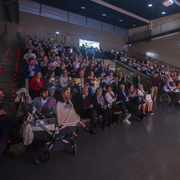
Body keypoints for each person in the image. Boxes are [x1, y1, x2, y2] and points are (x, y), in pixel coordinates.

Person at [0, 89, 17, 160]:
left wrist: (5, 113)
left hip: (7, 121)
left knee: (5, 134)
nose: (2, 96)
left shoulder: (9, 102)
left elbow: (14, 114)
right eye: (0, 94)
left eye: (2, 94)